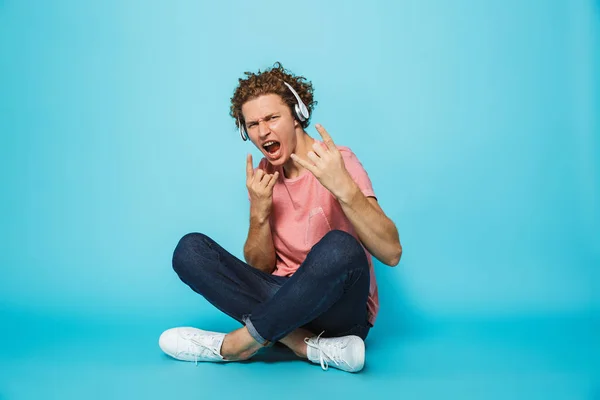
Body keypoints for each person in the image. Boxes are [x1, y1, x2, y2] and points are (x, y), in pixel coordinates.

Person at [158, 62, 402, 373]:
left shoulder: (336, 161)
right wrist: (259, 214)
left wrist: (345, 189)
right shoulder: (264, 176)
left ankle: (234, 346)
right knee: (189, 250)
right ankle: (302, 344)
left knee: (341, 247)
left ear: (297, 116)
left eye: (272, 118)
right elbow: (260, 269)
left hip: (340, 313)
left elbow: (392, 252)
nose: (263, 131)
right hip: (283, 300)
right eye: (253, 124)